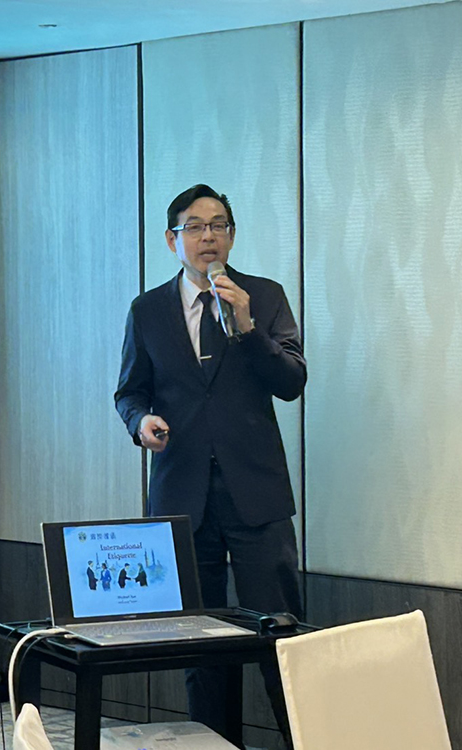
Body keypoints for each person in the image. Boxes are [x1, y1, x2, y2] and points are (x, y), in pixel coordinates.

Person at [114, 184, 305, 746]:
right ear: (172, 239)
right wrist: (140, 422)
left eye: (218, 225)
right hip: (182, 494)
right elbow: (130, 392)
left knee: (283, 638)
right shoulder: (147, 310)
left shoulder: (263, 296)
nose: (208, 236)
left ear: (232, 236)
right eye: (194, 227)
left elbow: (291, 381)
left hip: (256, 494)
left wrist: (247, 328)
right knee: (202, 643)